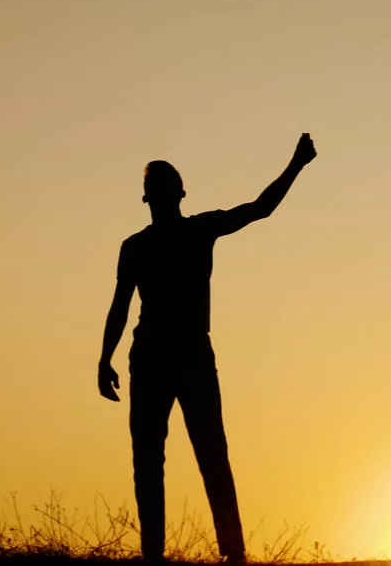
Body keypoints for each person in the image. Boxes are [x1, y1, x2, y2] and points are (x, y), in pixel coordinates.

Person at [98, 134, 319, 563]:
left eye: (164, 190)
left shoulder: (191, 232)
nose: (160, 198)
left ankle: (227, 552)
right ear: (150, 199)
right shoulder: (142, 245)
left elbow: (260, 209)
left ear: (174, 195)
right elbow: (120, 305)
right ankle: (164, 555)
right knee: (160, 457)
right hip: (158, 358)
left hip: (187, 357)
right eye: (156, 192)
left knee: (204, 453)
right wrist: (103, 357)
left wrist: (296, 165)